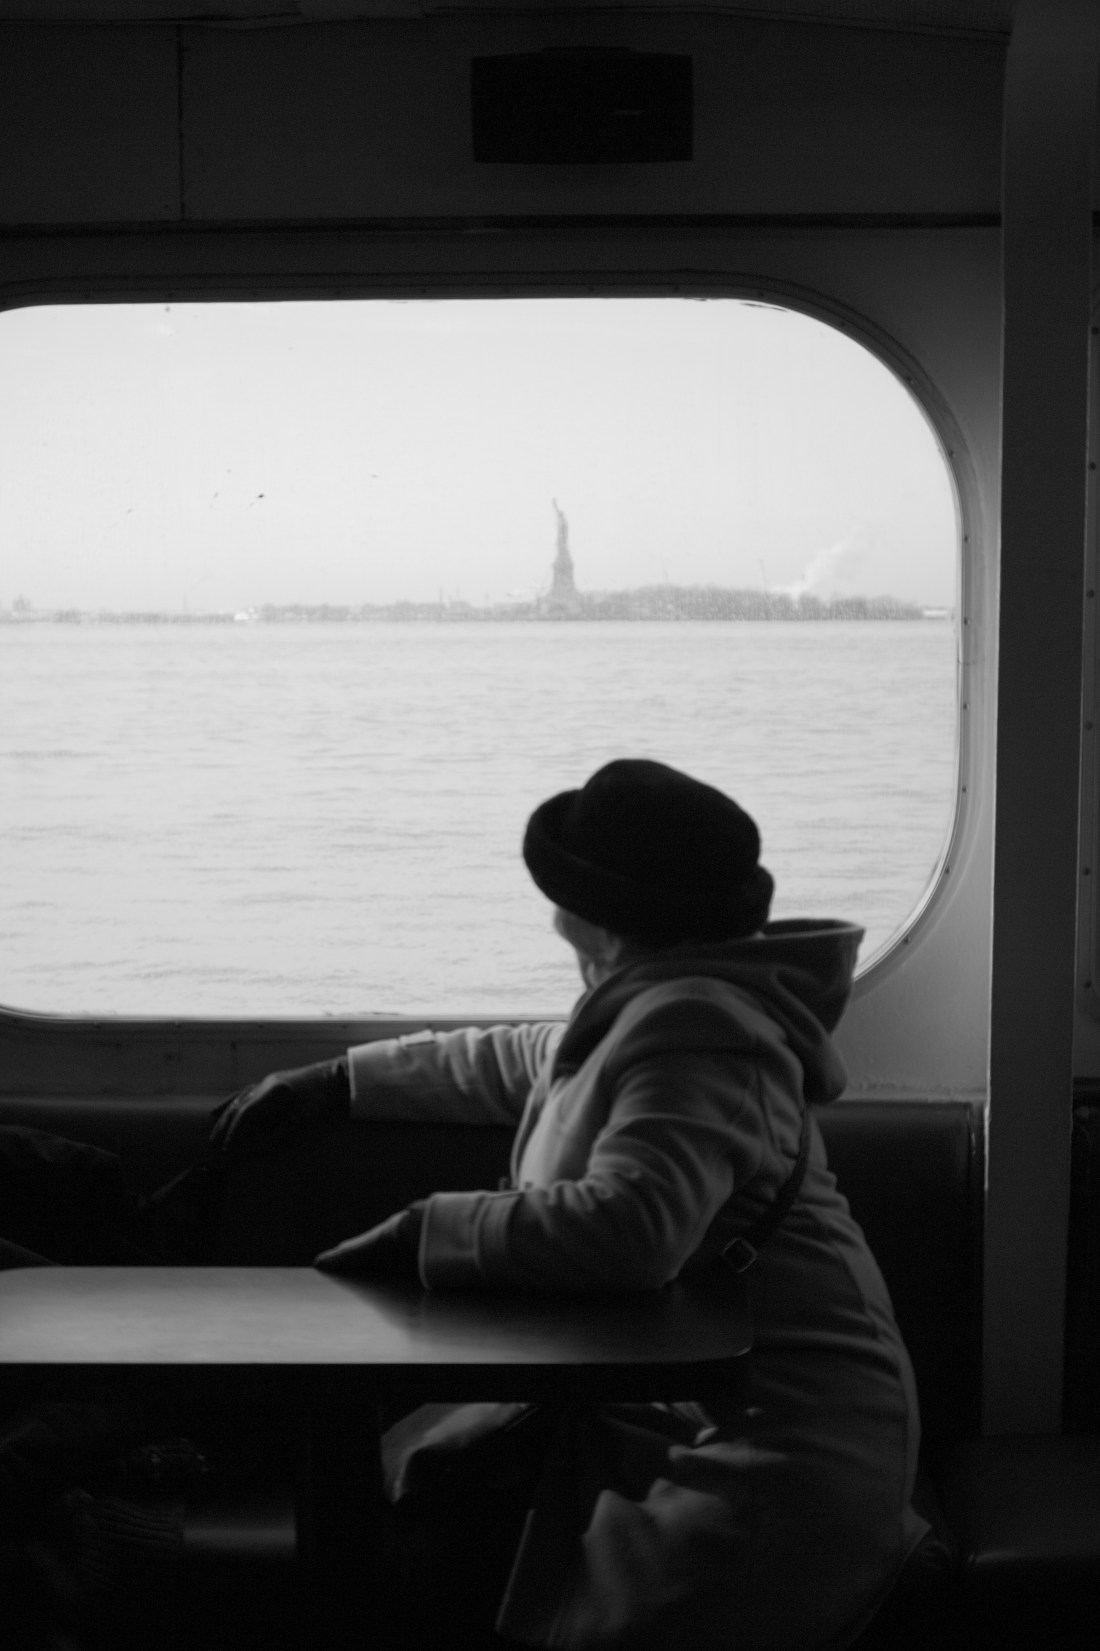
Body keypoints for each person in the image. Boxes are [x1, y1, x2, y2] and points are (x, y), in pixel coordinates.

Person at [207, 757, 930, 1650]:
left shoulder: (699, 1028)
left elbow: (631, 1229)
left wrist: (425, 1232)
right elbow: (530, 1058)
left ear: (603, 913)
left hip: (775, 1454)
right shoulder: (666, 1005)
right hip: (693, 1413)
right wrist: (337, 1080)